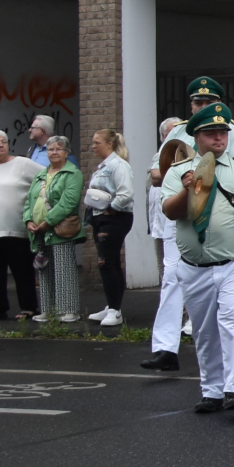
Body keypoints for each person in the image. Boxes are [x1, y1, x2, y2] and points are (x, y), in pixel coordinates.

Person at [160, 102, 234, 413]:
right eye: (211, 133)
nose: (219, 138)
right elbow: (169, 212)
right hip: (194, 266)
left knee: (233, 320)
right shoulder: (179, 171)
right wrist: (188, 189)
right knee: (204, 331)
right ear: (196, 137)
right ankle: (211, 391)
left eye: (222, 132)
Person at [0, 130, 43, 322]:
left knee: (22, 270)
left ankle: (29, 307)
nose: (1, 145)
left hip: (16, 227)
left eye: (4, 141)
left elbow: (46, 177)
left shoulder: (22, 163)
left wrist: (38, 205)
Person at [24, 136, 85, 324]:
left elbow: (69, 202)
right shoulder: (40, 175)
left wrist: (48, 221)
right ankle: (48, 310)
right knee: (44, 270)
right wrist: (28, 220)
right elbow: (29, 200)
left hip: (59, 229)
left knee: (64, 270)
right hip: (40, 231)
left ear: (67, 152)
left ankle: (69, 310)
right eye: (50, 149)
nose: (54, 152)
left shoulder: (72, 173)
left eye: (58, 149)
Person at [140, 119, 185, 369]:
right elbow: (155, 176)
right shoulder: (167, 149)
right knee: (170, 279)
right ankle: (166, 349)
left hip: (200, 223)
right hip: (171, 222)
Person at [82, 129, 137, 326]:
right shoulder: (102, 166)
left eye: (97, 143)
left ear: (109, 144)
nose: (93, 146)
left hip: (114, 218)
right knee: (111, 262)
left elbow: (125, 193)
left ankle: (115, 311)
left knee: (105, 262)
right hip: (100, 218)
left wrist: (111, 209)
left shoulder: (118, 165)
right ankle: (113, 306)